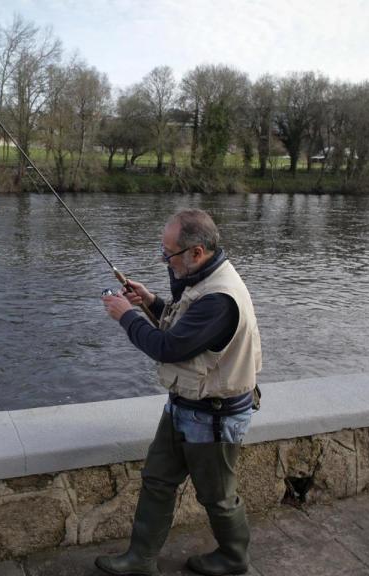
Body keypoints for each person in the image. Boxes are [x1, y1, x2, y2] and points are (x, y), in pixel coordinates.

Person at [97, 208, 262, 576]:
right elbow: (183, 332)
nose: (163, 259)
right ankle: (140, 559)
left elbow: (168, 348)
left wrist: (126, 314)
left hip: (214, 417)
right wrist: (150, 302)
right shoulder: (205, 280)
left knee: (217, 496)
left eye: (167, 253)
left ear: (197, 252)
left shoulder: (220, 297)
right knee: (157, 480)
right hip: (186, 406)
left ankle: (235, 558)